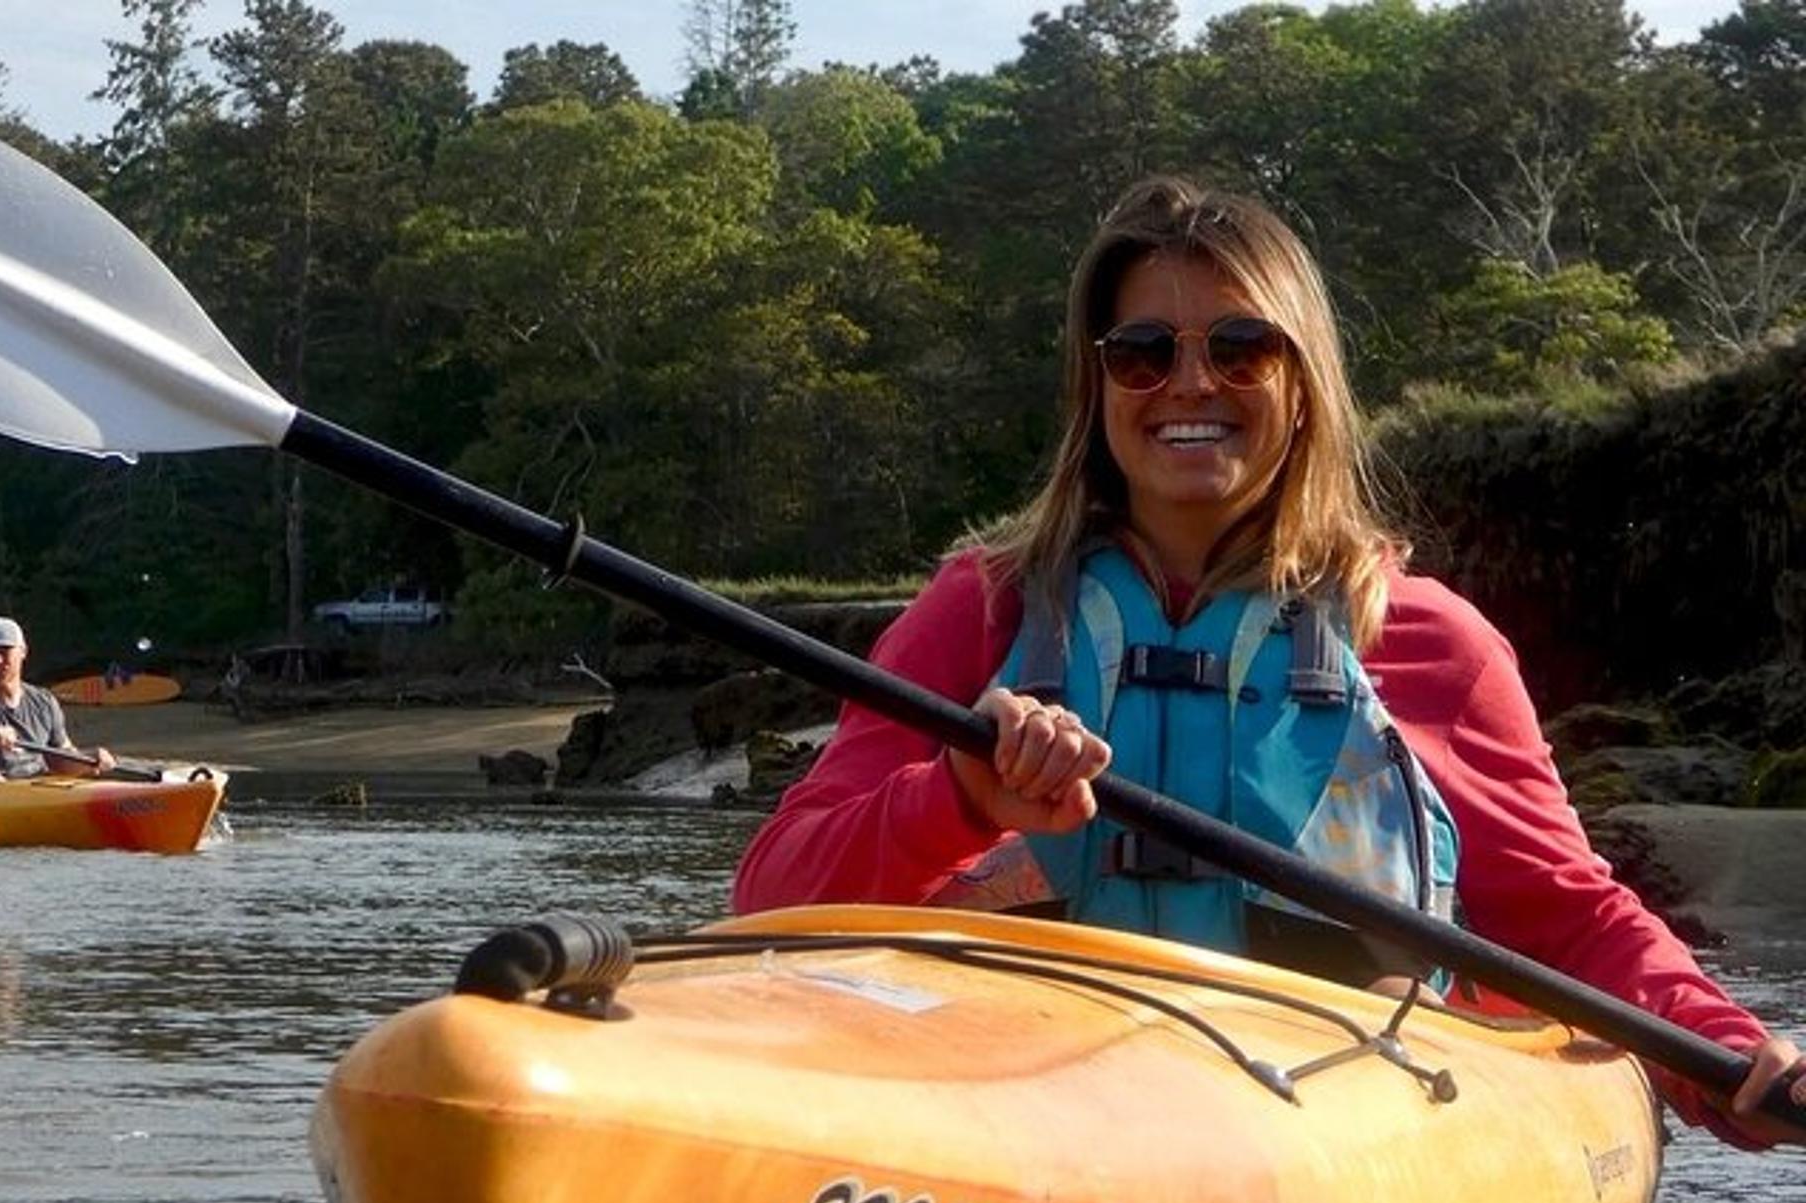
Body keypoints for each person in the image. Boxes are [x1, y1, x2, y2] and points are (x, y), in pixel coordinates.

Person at [732, 176, 1805, 1150]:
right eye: (1142, 353)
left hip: (1327, 1135)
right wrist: (961, 798)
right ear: (1098, 387)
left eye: (1241, 347)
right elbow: (771, 896)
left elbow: (1564, 917)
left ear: (1303, 380)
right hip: (1019, 1113)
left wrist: (1720, 1048)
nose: (1189, 383)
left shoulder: (1431, 644)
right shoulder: (980, 612)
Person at [0, 616, 116, 783]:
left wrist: (88, 760)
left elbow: (60, 760)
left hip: (33, 787)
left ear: (23, 652)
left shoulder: (44, 701)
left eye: (4, 651)